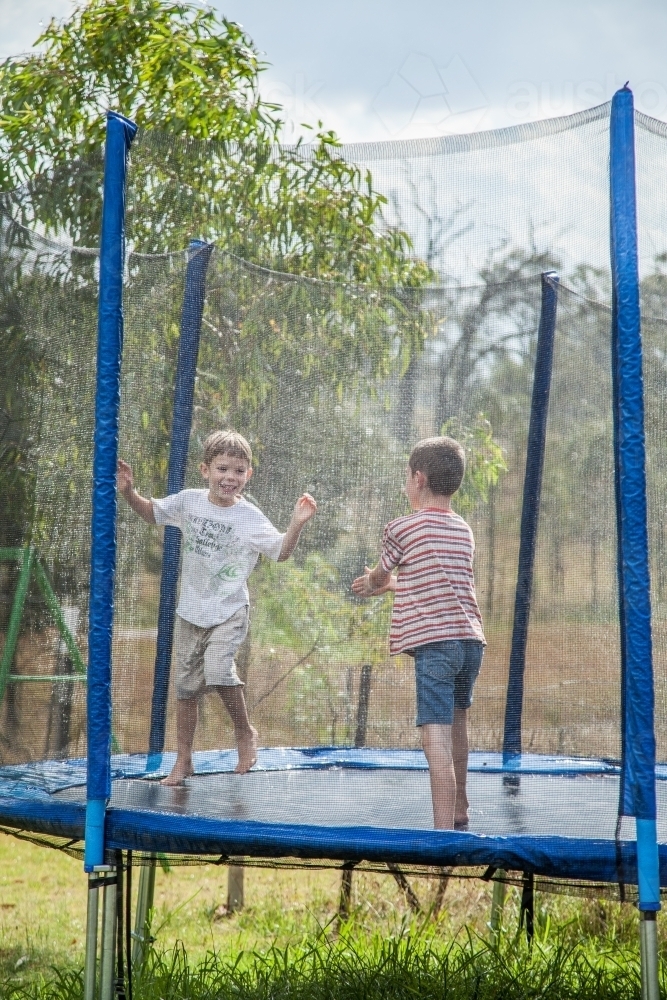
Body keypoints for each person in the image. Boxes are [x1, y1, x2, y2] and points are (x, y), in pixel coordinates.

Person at [118, 429, 317, 786]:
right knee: (185, 688)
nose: (230, 478)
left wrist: (296, 525)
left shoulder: (250, 517)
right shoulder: (190, 502)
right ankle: (183, 759)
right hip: (191, 611)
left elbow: (281, 551)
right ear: (205, 469)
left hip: (229, 610)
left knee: (218, 669)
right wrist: (130, 492)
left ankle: (244, 733)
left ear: (248, 475)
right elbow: (152, 513)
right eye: (223, 469)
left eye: (239, 471)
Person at [352, 436, 485, 830]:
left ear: (418, 478)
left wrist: (374, 583)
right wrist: (393, 586)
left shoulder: (401, 528)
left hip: (437, 647)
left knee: (436, 740)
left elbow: (382, 572)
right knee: (459, 724)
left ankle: (443, 832)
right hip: (470, 641)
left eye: (407, 478)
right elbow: (436, 581)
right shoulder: (463, 529)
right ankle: (461, 809)